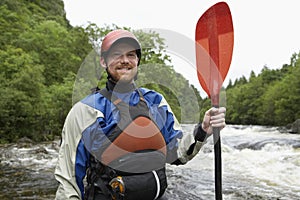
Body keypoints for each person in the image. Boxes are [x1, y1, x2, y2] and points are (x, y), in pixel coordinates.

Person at [54, 29, 226, 200]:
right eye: (116, 55)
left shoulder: (155, 102)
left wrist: (203, 130)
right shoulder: (86, 110)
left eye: (131, 55)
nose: (124, 61)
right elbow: (68, 181)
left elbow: (177, 153)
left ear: (137, 60)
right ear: (103, 61)